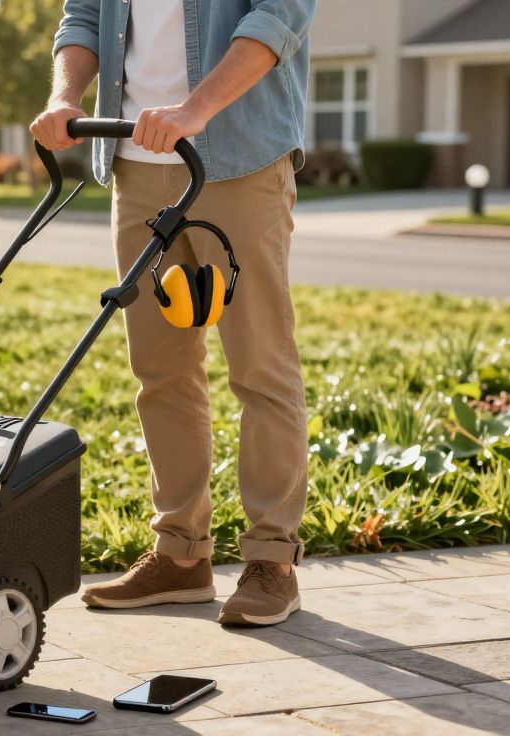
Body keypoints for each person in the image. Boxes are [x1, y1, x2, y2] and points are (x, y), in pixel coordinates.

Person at [32, 0, 316, 626]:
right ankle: (181, 555)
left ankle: (274, 560)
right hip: (137, 164)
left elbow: (278, 19)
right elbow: (82, 18)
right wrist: (65, 97)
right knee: (159, 369)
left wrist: (197, 110)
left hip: (238, 158)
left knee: (259, 364)